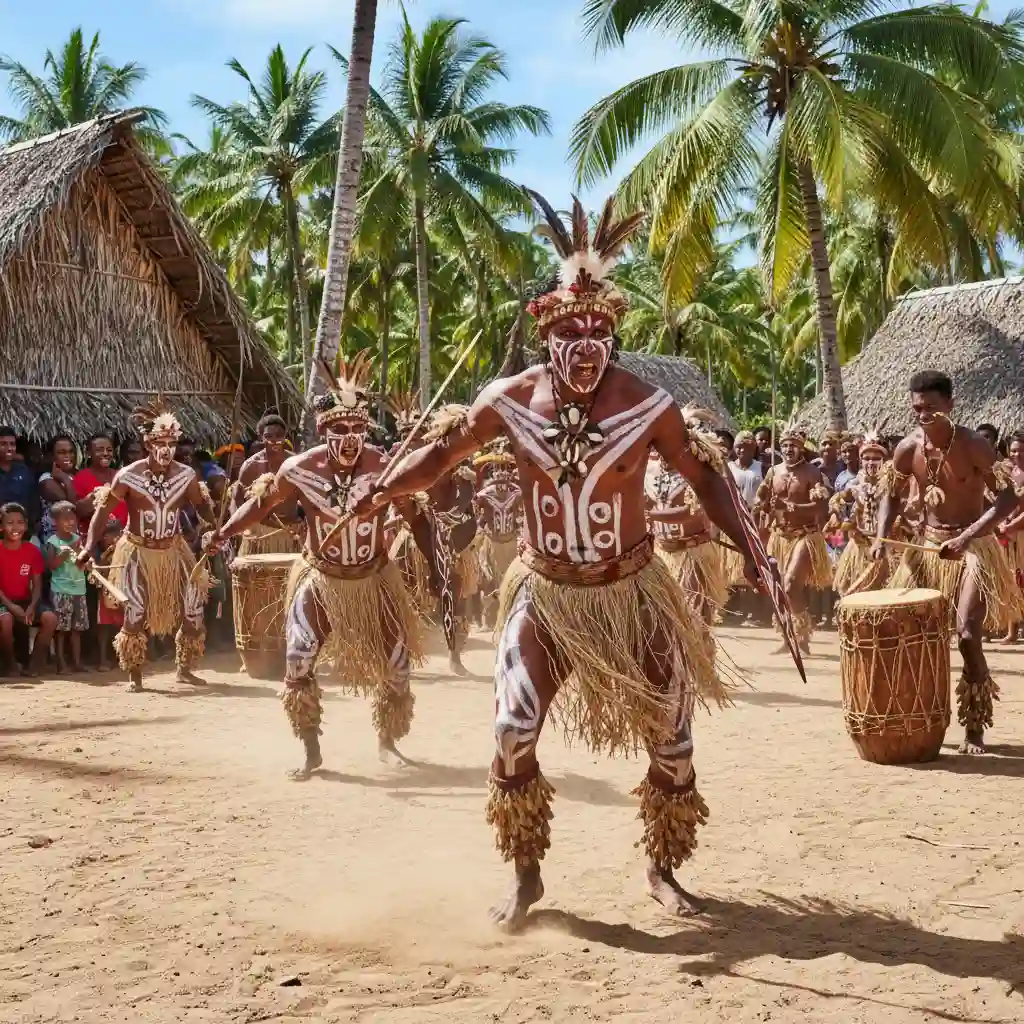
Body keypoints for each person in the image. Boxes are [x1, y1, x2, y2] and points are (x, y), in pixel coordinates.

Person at [352, 192, 760, 930]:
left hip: (634, 591)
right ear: (546, 336)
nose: (584, 345)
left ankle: (662, 867)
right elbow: (439, 457)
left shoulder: (648, 405)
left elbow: (706, 479)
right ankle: (527, 874)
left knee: (673, 738)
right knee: (512, 728)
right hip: (546, 595)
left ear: (613, 335)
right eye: (569, 331)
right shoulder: (508, 401)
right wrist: (383, 487)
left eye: (597, 331)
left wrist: (749, 547)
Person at [208, 352, 429, 780]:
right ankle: (311, 751)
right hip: (321, 577)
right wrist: (226, 532)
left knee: (398, 664)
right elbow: (261, 503)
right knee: (297, 659)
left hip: (373, 577)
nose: (351, 440)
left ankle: (388, 741)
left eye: (359, 430)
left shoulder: (384, 469)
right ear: (323, 431)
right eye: (341, 430)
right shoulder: (299, 469)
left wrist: (436, 568)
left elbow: (416, 514)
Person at [874, 371, 1023, 755]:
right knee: (900, 630)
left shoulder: (973, 445)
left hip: (974, 547)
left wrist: (968, 535)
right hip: (927, 547)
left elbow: (1008, 500)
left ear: (951, 406)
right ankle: (916, 716)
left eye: (932, 409)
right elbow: (890, 493)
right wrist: (880, 533)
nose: (924, 415)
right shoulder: (908, 449)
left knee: (968, 635)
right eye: (918, 409)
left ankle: (974, 726)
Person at [77, 402, 214, 692]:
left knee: (193, 611)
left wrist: (216, 531)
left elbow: (202, 507)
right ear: (147, 443)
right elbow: (102, 512)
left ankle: (184, 669)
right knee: (136, 614)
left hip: (175, 551)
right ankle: (135, 673)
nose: (166, 449)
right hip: (137, 552)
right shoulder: (128, 476)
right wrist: (89, 546)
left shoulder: (186, 476)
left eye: (171, 443)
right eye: (159, 443)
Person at [645, 408, 729, 627]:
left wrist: (649, 514)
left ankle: (701, 656)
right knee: (663, 618)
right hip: (661, 552)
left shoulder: (697, 472)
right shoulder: (648, 470)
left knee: (694, 615)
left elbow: (689, 514)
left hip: (692, 553)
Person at [754, 426, 831, 652]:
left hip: (805, 535)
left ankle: (802, 633)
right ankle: (790, 636)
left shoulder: (812, 474)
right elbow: (764, 497)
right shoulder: (773, 472)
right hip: (779, 536)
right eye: (785, 445)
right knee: (778, 587)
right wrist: (763, 505)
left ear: (801, 449)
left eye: (793, 445)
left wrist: (789, 507)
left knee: (790, 586)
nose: (788, 449)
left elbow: (820, 508)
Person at [231, 412, 304, 555]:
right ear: (261, 437)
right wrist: (239, 528)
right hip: (261, 533)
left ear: (285, 437)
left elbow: (308, 496)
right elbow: (237, 498)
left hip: (293, 532)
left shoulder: (296, 464)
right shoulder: (251, 465)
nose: (274, 440)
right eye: (268, 436)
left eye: (279, 435)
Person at [0, 502, 58, 676]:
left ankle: (35, 663)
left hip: (26, 600)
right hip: (4, 600)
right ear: (1, 527)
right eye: (9, 523)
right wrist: (12, 607)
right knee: (6, 620)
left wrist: (32, 606)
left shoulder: (32, 551)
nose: (15, 527)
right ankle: (10, 663)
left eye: (19, 522)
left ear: (25, 525)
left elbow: (37, 583)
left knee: (50, 618)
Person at [830, 432, 888, 595]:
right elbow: (837, 500)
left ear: (884, 460)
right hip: (859, 547)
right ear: (861, 461)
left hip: (885, 549)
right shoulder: (855, 484)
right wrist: (836, 513)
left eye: (876, 458)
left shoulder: (892, 485)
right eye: (866, 458)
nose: (871, 462)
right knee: (851, 593)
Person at [473, 441, 523, 626]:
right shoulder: (484, 495)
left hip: (511, 543)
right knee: (488, 580)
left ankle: (509, 617)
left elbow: (521, 515)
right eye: (498, 469)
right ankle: (488, 618)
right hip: (491, 543)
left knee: (511, 580)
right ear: (492, 471)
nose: (502, 473)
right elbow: (476, 511)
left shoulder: (517, 493)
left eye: (506, 468)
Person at [45, 501, 89, 673]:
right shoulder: (53, 542)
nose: (70, 522)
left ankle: (77, 663)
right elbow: (52, 566)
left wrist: (82, 557)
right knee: (61, 630)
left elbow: (81, 565)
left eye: (73, 518)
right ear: (55, 521)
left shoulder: (78, 540)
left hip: (79, 589)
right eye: (65, 519)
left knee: (77, 629)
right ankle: (61, 663)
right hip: (61, 590)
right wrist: (65, 553)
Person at [74, 434, 126, 536]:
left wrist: (119, 524)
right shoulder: (81, 477)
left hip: (123, 536)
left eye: (109, 450)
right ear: (89, 453)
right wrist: (95, 497)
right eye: (99, 450)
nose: (105, 453)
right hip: (95, 538)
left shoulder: (121, 476)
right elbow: (78, 511)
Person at [95, 519, 124, 672]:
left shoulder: (125, 552)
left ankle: (124, 657)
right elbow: (100, 571)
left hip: (123, 593)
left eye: (113, 534)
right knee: (105, 627)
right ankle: (102, 658)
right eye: (106, 535)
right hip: (106, 594)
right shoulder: (101, 554)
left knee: (124, 625)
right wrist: (107, 554)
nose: (110, 538)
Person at [38, 435, 79, 543]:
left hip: (76, 536)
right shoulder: (46, 479)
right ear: (52, 457)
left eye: (71, 452)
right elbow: (71, 505)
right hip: (55, 540)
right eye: (62, 452)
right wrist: (65, 478)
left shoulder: (78, 476)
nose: (68, 456)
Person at [0, 427, 39, 531]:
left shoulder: (23, 471)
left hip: (23, 532)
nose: (9, 448)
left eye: (12, 444)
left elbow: (34, 502)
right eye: (3, 444)